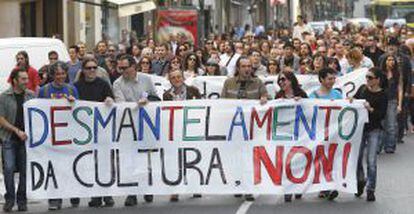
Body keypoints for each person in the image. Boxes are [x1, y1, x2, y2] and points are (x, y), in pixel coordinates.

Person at [112, 55, 159, 206]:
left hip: (146, 125)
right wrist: (136, 106)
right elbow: (121, 105)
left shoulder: (146, 79)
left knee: (146, 158)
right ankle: (132, 192)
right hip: (128, 126)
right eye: (120, 68)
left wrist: (148, 101)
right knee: (130, 159)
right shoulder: (117, 84)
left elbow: (156, 98)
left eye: (125, 67)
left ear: (134, 66)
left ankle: (146, 188)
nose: (122, 71)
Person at [221, 56, 268, 202]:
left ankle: (248, 188)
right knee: (236, 158)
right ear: (238, 68)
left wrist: (265, 97)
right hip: (234, 129)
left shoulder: (258, 82)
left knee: (250, 159)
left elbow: (265, 95)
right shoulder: (229, 83)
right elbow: (222, 103)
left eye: (249, 66)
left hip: (252, 129)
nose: (247, 69)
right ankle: (237, 184)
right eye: (244, 66)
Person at [74, 57, 115, 208]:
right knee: (90, 163)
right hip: (85, 132)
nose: (92, 70)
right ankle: (96, 195)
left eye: (94, 68)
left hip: (102, 130)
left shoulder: (103, 84)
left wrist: (110, 100)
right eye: (89, 68)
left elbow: (111, 98)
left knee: (104, 162)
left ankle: (107, 194)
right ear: (83, 70)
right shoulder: (76, 86)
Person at [37, 61, 79, 210]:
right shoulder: (44, 91)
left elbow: (80, 110)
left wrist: (74, 103)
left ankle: (73, 192)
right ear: (52, 75)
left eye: (63, 73)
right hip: (51, 135)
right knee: (53, 167)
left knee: (69, 165)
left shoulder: (72, 89)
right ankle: (55, 199)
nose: (60, 76)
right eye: (57, 74)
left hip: (68, 133)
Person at [0, 67, 35, 212]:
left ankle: (22, 200)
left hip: (26, 140)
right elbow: (1, 119)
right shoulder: (4, 97)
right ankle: (9, 199)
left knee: (24, 170)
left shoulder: (31, 96)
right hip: (9, 138)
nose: (27, 81)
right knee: (8, 169)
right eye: (23, 79)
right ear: (15, 80)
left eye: (27, 78)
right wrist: (16, 131)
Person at [353, 67, 388, 202]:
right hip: (360, 129)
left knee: (371, 161)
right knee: (357, 158)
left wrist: (370, 109)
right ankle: (360, 181)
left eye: (370, 78)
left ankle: (371, 189)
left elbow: (382, 114)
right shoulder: (362, 89)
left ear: (378, 80)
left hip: (374, 130)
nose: (367, 80)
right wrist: (351, 100)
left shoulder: (383, 95)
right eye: (366, 77)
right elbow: (354, 100)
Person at [309, 67, 342, 200]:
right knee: (321, 159)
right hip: (319, 132)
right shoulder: (313, 96)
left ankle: (329, 186)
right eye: (329, 79)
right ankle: (323, 187)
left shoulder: (337, 95)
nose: (332, 81)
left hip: (334, 132)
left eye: (334, 78)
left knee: (332, 158)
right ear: (321, 79)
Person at [274, 71, 306, 202]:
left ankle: (298, 187)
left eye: (283, 80)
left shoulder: (302, 94)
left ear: (291, 81)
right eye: (279, 81)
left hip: (300, 133)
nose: (281, 82)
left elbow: (311, 111)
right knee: (286, 161)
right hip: (284, 133)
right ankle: (288, 188)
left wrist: (302, 102)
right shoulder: (278, 96)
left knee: (298, 161)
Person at [380, 55, 403, 154]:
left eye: (393, 60)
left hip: (392, 101)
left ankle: (390, 146)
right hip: (381, 101)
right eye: (389, 60)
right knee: (381, 124)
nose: (391, 61)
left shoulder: (397, 73)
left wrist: (400, 104)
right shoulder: (380, 73)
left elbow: (400, 89)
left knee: (391, 125)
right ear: (385, 61)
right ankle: (379, 145)